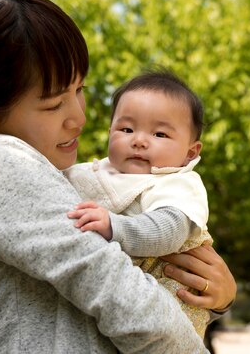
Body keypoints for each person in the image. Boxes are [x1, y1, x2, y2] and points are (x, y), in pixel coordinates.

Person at [0, 0, 235, 353]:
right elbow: (131, 304)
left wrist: (216, 299)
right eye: (53, 105)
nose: (78, 119)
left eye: (80, 90)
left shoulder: (45, 176)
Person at [64, 70, 212, 337]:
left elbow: (168, 232)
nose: (139, 140)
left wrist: (115, 226)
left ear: (190, 152)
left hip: (168, 294)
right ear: (110, 132)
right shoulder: (94, 173)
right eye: (127, 129)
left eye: (160, 134)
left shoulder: (178, 183)